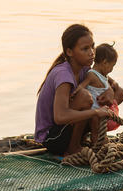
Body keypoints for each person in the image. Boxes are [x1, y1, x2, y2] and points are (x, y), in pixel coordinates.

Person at [35, 24, 115, 156]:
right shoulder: (64, 75)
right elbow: (60, 117)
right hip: (53, 138)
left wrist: (110, 90)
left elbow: (113, 86)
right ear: (69, 52)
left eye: (92, 46)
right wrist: (95, 112)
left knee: (103, 94)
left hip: (66, 130)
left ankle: (89, 141)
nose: (92, 53)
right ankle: (73, 147)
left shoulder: (84, 68)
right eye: (85, 49)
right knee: (84, 96)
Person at [78, 42, 123, 132]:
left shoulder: (103, 75)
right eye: (112, 66)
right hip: (94, 111)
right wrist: (75, 92)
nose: (112, 70)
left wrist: (113, 82)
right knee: (95, 124)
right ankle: (95, 139)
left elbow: (107, 79)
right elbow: (82, 86)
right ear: (105, 63)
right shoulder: (92, 74)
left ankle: (101, 136)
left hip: (101, 109)